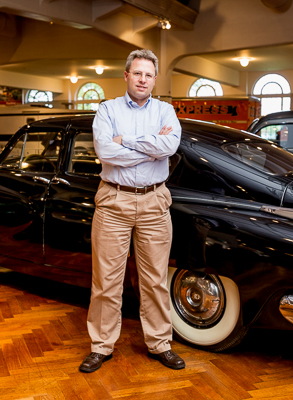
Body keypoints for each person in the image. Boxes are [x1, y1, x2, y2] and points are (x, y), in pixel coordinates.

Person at [79, 49, 183, 373]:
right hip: (113, 202)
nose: (142, 79)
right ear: (126, 75)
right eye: (137, 73)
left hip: (154, 202)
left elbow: (170, 146)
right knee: (107, 281)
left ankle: (160, 343)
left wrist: (128, 142)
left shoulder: (166, 111)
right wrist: (148, 147)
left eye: (148, 75)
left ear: (154, 79)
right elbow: (105, 151)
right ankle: (101, 346)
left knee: (154, 280)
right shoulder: (107, 109)